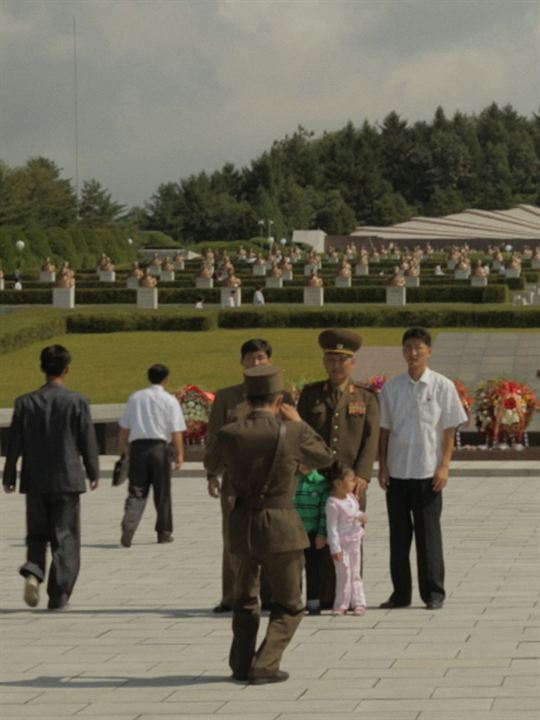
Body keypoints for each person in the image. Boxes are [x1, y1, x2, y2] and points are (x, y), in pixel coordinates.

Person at [205, 366, 332, 684]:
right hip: (282, 524)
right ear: (279, 401)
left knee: (245, 600)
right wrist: (299, 422)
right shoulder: (293, 432)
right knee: (289, 604)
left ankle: (241, 664)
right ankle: (265, 663)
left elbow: (211, 463)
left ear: (247, 400)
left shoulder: (230, 433)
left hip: (243, 524)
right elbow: (324, 458)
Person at [2, 345, 99, 610]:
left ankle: (34, 571)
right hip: (67, 478)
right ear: (67, 369)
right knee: (65, 535)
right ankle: (59, 593)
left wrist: (9, 475)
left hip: (34, 479)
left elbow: (14, 443)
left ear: (42, 368)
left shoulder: (25, 402)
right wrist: (93, 471)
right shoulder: (77, 401)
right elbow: (87, 440)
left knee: (36, 533)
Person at [378, 327, 467, 610]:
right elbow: (384, 430)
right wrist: (383, 466)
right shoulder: (392, 388)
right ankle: (400, 593)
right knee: (399, 536)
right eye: (408, 347)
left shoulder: (442, 386)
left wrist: (444, 466)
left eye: (418, 348)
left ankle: (433, 593)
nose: (413, 353)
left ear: (429, 351)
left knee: (429, 536)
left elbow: (449, 429)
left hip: (428, 472)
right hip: (397, 472)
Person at [297, 328, 379, 608]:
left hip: (350, 483)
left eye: (342, 360)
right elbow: (301, 433)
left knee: (350, 540)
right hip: (317, 480)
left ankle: (352, 597)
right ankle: (322, 596)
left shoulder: (366, 397)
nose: (336, 365)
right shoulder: (311, 395)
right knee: (318, 538)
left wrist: (363, 475)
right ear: (324, 361)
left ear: (353, 363)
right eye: (331, 359)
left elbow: (370, 438)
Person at [206, 338, 276, 613]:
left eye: (260, 357)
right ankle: (233, 595)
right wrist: (212, 474)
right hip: (235, 480)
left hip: (270, 480)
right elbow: (214, 437)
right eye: (250, 358)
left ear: (269, 361)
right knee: (233, 537)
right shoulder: (227, 397)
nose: (255, 363)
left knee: (270, 537)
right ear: (241, 362)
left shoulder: (281, 396)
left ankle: (270, 595)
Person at [118, 364, 186, 547]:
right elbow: (176, 431)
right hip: (159, 449)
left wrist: (123, 449)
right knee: (162, 492)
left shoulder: (135, 398)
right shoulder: (169, 400)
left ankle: (130, 523)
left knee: (136, 490)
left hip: (138, 448)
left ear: (148, 377)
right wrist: (179, 455)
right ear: (166, 379)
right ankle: (164, 532)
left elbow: (124, 427)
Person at [325, 462, 367, 616]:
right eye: (351, 480)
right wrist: (335, 548)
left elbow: (355, 512)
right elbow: (332, 528)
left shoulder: (351, 498)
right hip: (342, 544)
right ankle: (341, 604)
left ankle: (358, 602)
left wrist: (361, 516)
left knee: (355, 572)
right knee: (344, 573)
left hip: (354, 540)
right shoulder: (333, 503)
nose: (354, 483)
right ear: (338, 483)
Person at [293, 465, 329, 616]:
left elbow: (324, 511)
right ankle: (293, 601)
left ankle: (313, 601)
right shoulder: (292, 480)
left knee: (314, 568)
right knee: (293, 568)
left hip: (313, 532)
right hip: (294, 533)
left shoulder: (321, 483)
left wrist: (322, 533)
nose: (305, 466)